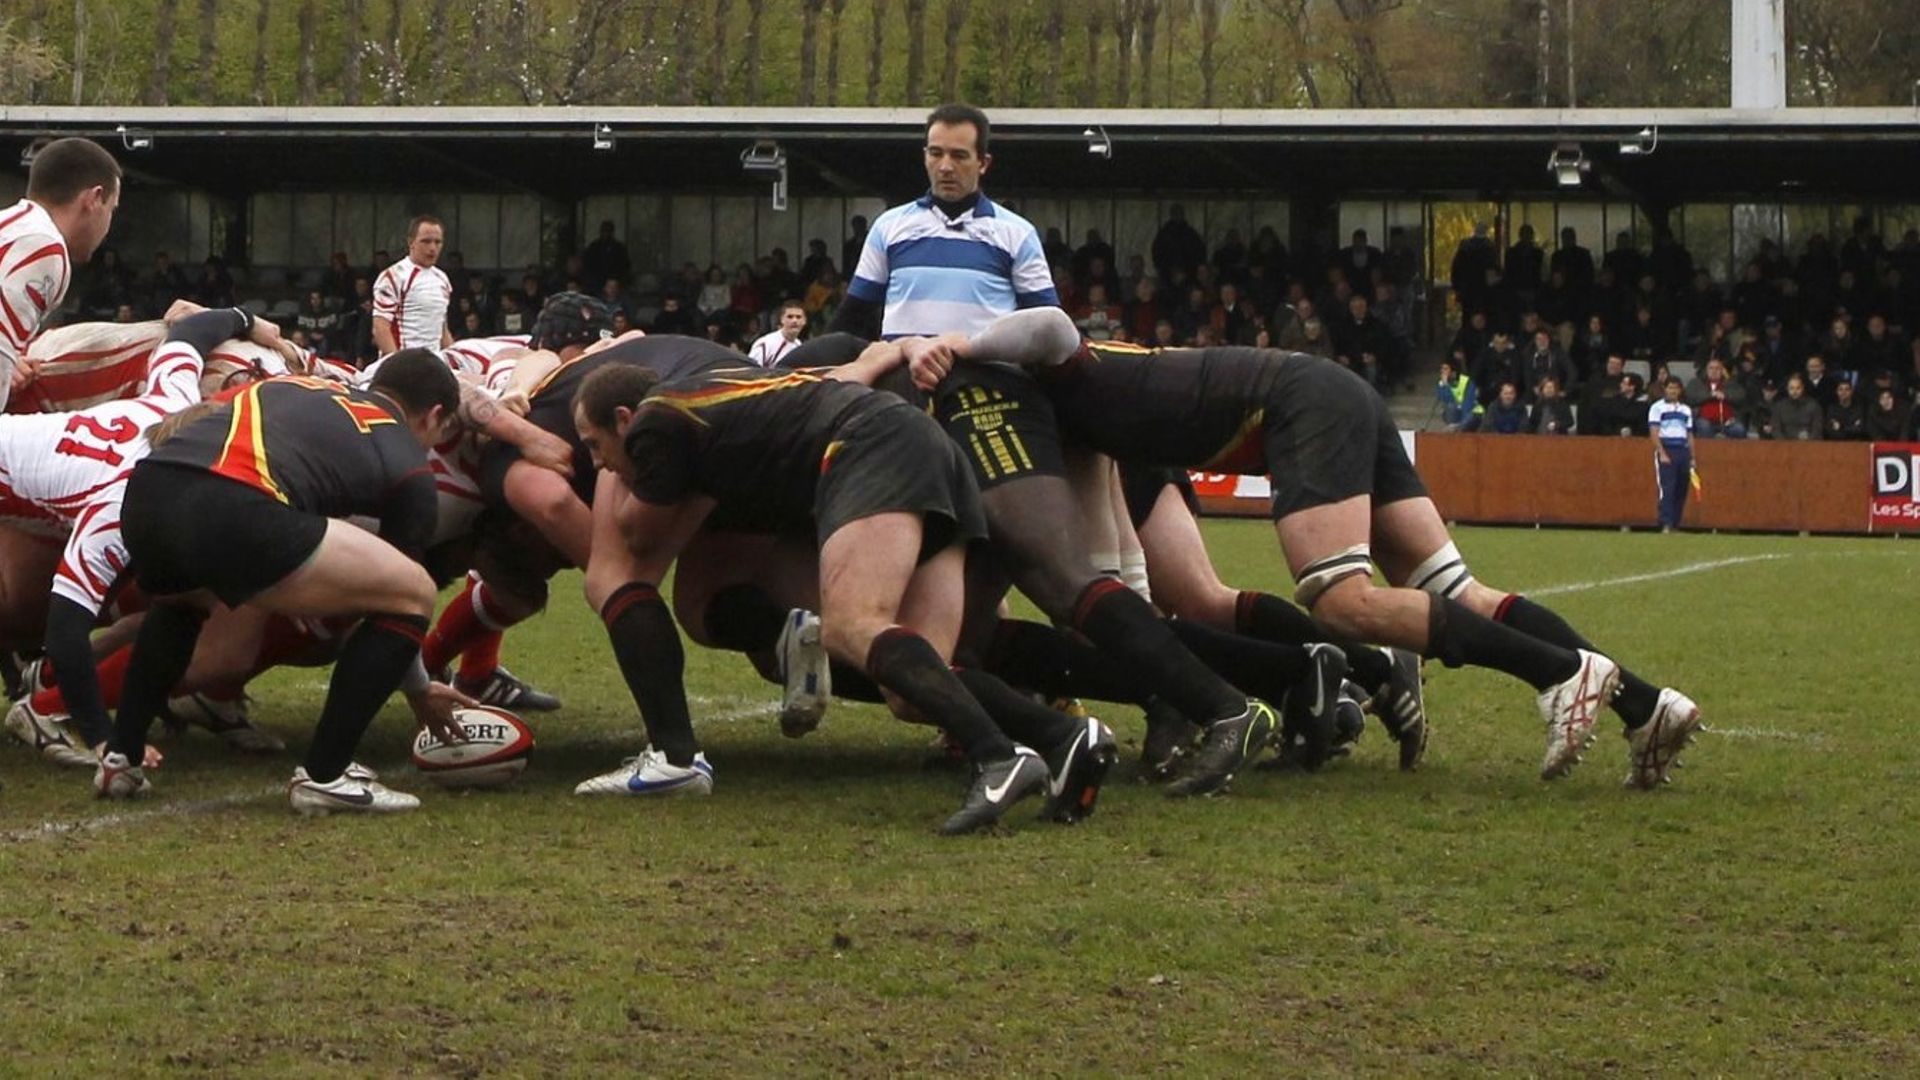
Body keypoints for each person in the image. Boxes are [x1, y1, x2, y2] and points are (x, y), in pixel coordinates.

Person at [976, 309, 1700, 788]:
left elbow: (1043, 324)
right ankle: (1645, 705)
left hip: (1300, 404)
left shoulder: (1064, 370)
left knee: (1341, 601)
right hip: (1329, 390)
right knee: (1458, 590)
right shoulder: (1091, 402)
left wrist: (945, 342)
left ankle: (1552, 673)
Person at [94, 337, 472, 814]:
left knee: (184, 600)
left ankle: (121, 758)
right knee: (413, 590)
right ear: (434, 415)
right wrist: (419, 688)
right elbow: (396, 593)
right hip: (234, 502)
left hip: (149, 489)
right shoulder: (407, 460)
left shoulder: (296, 385)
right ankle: (326, 775)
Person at [830, 103, 1056, 342]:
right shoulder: (888, 227)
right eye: (936, 154)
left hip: (985, 377)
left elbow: (1049, 327)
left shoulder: (1017, 233)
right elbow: (852, 318)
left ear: (983, 163)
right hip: (902, 376)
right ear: (925, 156)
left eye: (959, 156)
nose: (946, 167)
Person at [1, 138, 122, 412]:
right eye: (111, 209)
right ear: (93, 199)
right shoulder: (44, 247)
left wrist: (11, 362)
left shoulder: (15, 228)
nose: (108, 226)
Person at [372, 216, 455, 356]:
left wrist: (453, 360)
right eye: (426, 241)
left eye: (438, 242)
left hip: (435, 365)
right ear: (411, 242)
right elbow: (380, 327)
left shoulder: (443, 279)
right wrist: (398, 366)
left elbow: (442, 328)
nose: (433, 248)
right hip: (404, 363)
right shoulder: (394, 276)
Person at [1648, 377, 1693, 531]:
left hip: (1682, 449)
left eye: (1675, 388)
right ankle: (1665, 522)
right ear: (1664, 389)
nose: (1672, 391)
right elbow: (1654, 431)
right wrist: (1661, 452)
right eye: (1670, 388)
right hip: (1667, 447)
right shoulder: (1657, 408)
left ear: (1680, 391)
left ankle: (1675, 523)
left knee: (1682, 488)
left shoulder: (1685, 410)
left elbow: (1689, 434)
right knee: (1667, 488)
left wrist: (1692, 456)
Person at [1685, 357, 1748, 439]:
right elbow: (1690, 397)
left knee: (1739, 429)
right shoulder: (1696, 383)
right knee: (1704, 427)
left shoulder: (1731, 383)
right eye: (1711, 368)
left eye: (1717, 368)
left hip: (1728, 421)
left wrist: (1725, 395)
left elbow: (1741, 396)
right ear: (1706, 370)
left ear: (1722, 371)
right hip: (1704, 419)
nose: (1714, 371)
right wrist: (1710, 395)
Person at [748, 301, 809, 367]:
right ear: (782, 319)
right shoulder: (765, 344)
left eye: (798, 317)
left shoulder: (799, 345)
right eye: (790, 317)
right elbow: (751, 370)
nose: (794, 321)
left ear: (804, 321)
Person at [581, 220, 631, 293]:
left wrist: (616, 281)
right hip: (596, 284)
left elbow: (624, 266)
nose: (606, 234)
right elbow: (587, 265)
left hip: (614, 283)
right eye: (604, 231)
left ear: (612, 232)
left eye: (608, 231)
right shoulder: (594, 247)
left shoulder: (619, 248)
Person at [1770, 373, 1824, 440]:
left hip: (1808, 445)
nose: (1794, 391)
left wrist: (1808, 444)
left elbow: (1817, 429)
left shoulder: (1814, 405)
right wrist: (1784, 444)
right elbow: (1775, 429)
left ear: (1802, 388)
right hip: (1784, 446)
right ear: (1787, 389)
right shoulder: (1779, 406)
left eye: (1798, 388)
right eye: (1791, 388)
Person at [1434, 359, 1479, 431]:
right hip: (1454, 413)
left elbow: (1468, 405)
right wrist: (1445, 385)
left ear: (1453, 372)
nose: (1442, 371)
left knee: (1470, 416)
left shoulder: (1466, 382)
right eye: (1441, 369)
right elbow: (1447, 400)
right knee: (1450, 406)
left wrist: (1462, 424)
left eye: (1445, 369)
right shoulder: (1442, 384)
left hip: (1470, 413)